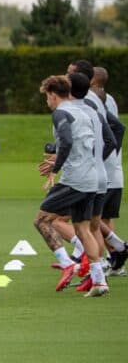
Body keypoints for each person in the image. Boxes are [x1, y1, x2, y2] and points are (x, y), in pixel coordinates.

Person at [34, 75, 107, 297]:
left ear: (53, 95)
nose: (47, 102)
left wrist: (55, 170)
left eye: (47, 97)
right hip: (92, 179)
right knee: (83, 229)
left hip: (74, 179)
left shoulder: (60, 113)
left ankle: (68, 264)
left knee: (42, 220)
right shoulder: (84, 112)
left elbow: (66, 140)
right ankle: (99, 281)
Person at [91, 67, 127, 274]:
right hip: (112, 171)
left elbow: (116, 130)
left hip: (105, 171)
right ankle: (116, 260)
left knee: (93, 220)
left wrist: (104, 154)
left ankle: (108, 257)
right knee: (103, 219)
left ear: (93, 81)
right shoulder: (108, 98)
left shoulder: (98, 100)